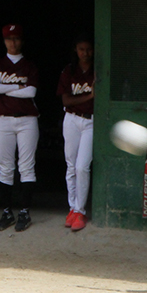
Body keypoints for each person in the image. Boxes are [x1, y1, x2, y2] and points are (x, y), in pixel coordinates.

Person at [0, 23, 39, 232]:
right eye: (9, 38)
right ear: (4, 41)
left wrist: (5, 89)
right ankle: (7, 212)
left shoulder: (29, 65)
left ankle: (24, 211)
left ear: (21, 40)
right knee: (5, 166)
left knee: (26, 166)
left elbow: (31, 92)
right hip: (3, 119)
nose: (13, 42)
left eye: (16, 38)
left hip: (27, 119)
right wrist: (18, 87)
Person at [57, 34, 95, 232]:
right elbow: (66, 101)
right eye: (81, 49)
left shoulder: (97, 71)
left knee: (82, 167)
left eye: (88, 49)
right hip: (71, 118)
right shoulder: (69, 70)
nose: (85, 53)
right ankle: (72, 208)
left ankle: (80, 211)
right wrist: (89, 95)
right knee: (71, 165)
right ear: (76, 50)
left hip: (90, 120)